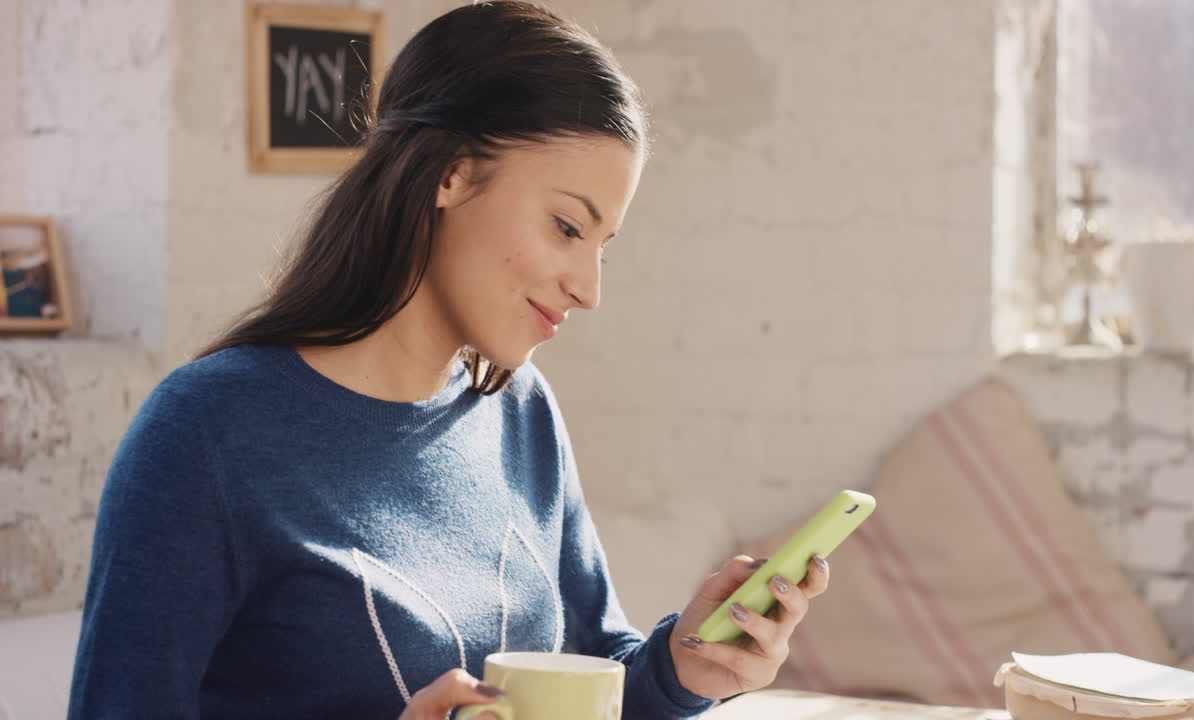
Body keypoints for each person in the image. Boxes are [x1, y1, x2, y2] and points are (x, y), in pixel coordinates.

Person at [67, 2, 831, 718]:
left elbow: (592, 670)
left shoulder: (520, 412)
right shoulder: (208, 432)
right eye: (568, 226)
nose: (589, 289)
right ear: (451, 174)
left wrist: (680, 666)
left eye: (604, 248)